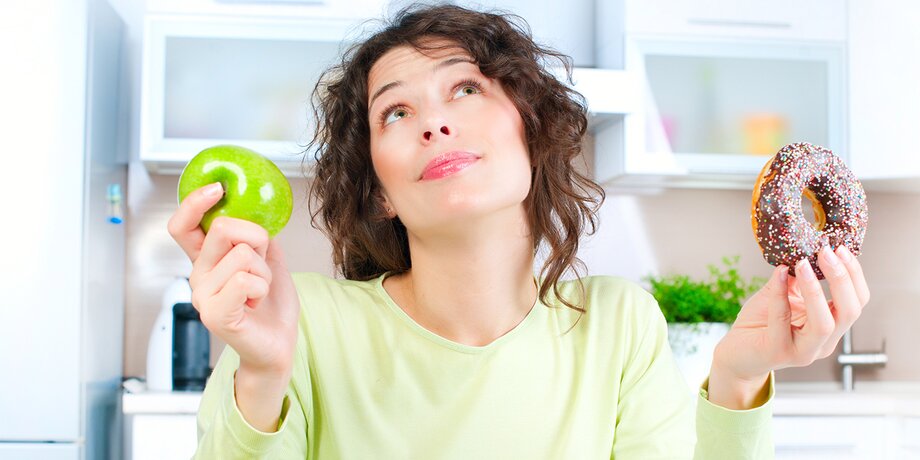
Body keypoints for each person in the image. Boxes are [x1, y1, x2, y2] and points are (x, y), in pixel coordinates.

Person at [167, 4, 870, 459]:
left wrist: (740, 376)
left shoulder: (618, 326)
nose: (434, 122)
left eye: (466, 88)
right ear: (379, 191)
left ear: (531, 133)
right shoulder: (297, 323)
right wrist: (263, 374)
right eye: (395, 112)